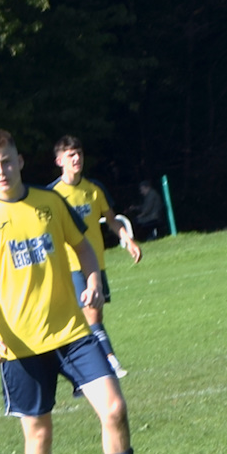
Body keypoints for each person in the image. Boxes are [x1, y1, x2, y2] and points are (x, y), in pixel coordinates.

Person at [0, 129, 163, 454]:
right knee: (39, 435)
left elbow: (84, 246)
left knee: (115, 408)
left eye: (8, 161)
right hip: (20, 346)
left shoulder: (50, 203)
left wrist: (91, 278)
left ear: (20, 161)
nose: (2, 171)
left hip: (72, 332)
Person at [47, 136, 143, 377]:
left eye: (78, 153)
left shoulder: (93, 188)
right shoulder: (52, 195)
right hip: (69, 266)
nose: (76, 158)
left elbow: (111, 219)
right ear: (60, 161)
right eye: (70, 155)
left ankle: (77, 365)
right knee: (90, 313)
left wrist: (127, 240)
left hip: (96, 264)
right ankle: (110, 362)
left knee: (93, 316)